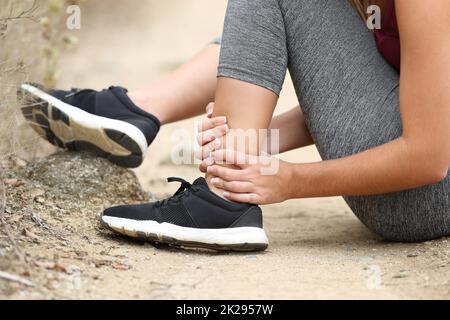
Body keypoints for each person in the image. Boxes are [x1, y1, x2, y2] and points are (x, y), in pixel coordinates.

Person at [19, 0, 450, 251]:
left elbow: (429, 156)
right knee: (273, 19)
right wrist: (255, 143)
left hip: (421, 198)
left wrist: (290, 182)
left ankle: (218, 198)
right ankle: (141, 115)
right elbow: (367, 100)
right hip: (415, 193)